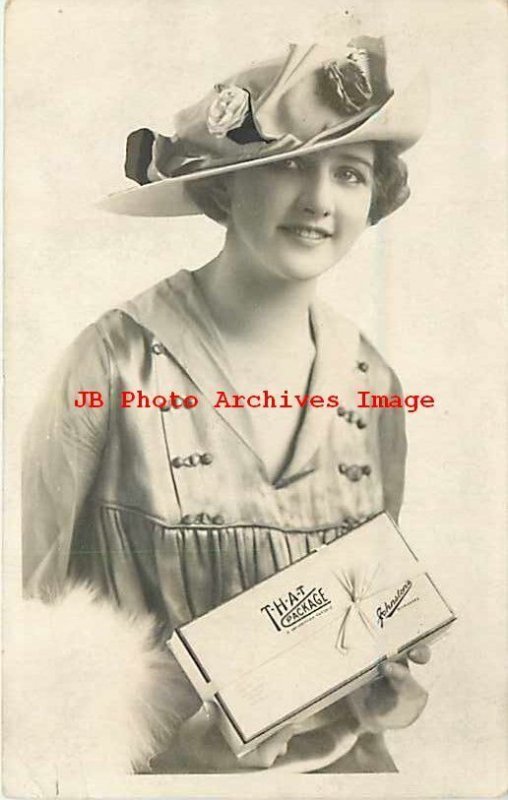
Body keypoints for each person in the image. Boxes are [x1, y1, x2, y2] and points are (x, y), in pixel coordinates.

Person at [22, 36, 431, 773]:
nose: (318, 200)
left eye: (349, 172)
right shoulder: (109, 362)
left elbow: (364, 608)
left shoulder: (374, 380)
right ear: (223, 185)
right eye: (288, 166)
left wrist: (380, 680)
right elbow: (29, 639)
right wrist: (182, 758)